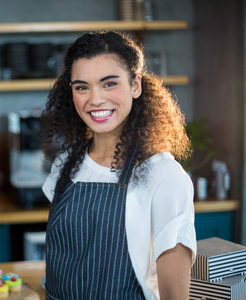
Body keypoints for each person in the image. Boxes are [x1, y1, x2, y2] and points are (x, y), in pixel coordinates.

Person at [40, 31, 196, 299]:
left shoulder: (162, 175)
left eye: (109, 83)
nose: (95, 99)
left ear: (136, 85)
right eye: (81, 87)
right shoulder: (66, 164)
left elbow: (174, 294)